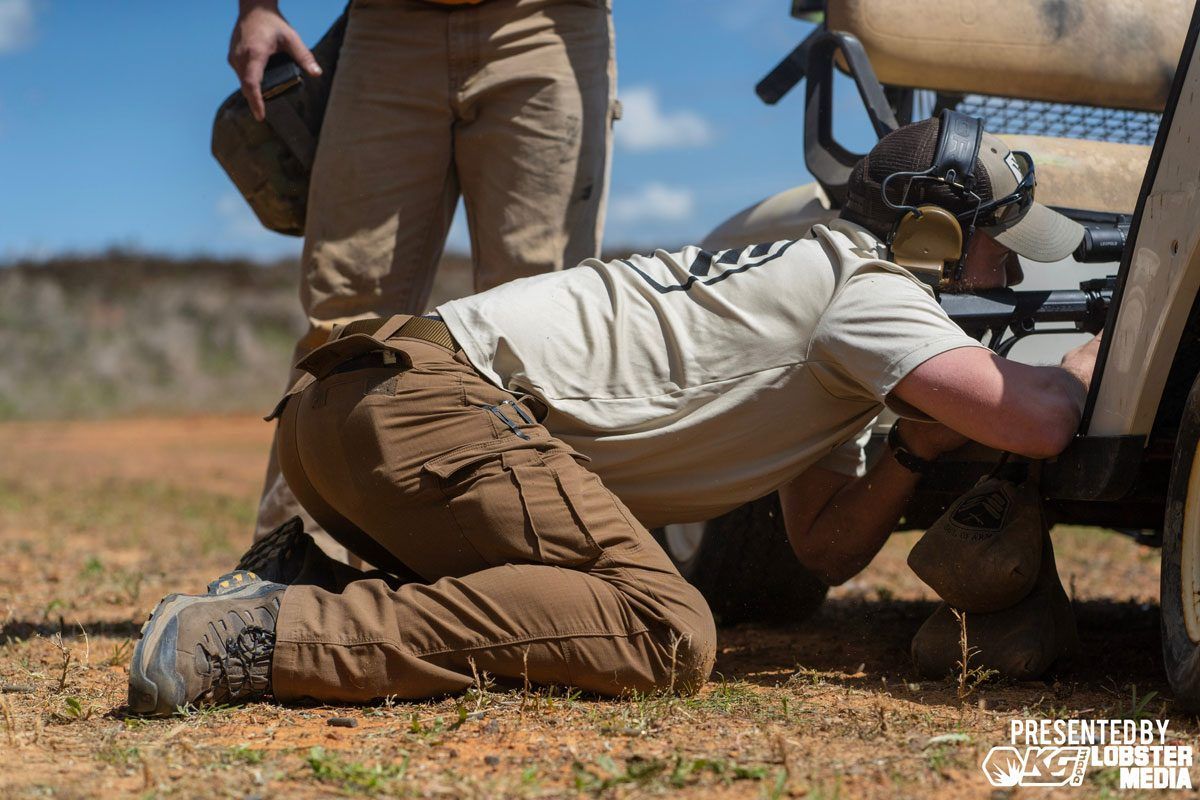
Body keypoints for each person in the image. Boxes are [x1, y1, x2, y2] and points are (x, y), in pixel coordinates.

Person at [128, 115, 1100, 714]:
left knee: (586, 593)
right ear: (929, 233)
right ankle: (259, 641)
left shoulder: (829, 299)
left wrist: (914, 451)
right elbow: (1047, 418)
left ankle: (303, 574)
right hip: (424, 410)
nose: (1009, 273)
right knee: (666, 625)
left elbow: (823, 545)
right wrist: (1104, 361)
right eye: (994, 250)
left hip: (348, 414)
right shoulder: (869, 288)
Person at [228, 0, 618, 554]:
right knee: (344, 321)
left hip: (548, 22)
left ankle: (551, 560)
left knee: (544, 322)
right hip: (387, 27)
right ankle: (296, 561)